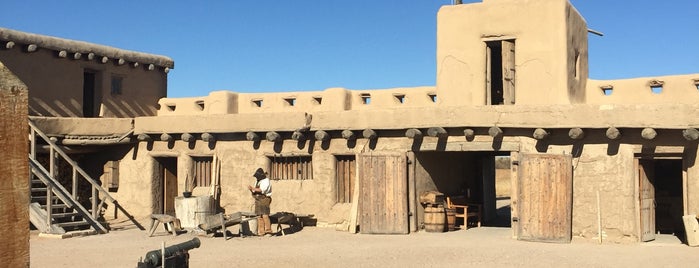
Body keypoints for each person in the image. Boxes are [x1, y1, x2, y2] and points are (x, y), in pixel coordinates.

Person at [248, 168, 273, 236]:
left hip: (264, 198)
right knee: (259, 216)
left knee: (265, 215)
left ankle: (268, 231)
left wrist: (253, 188)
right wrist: (251, 190)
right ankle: (261, 232)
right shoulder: (258, 181)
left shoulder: (266, 181)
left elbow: (262, 190)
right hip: (258, 199)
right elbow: (255, 190)